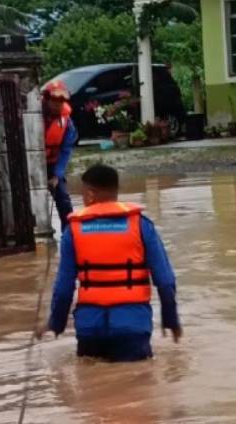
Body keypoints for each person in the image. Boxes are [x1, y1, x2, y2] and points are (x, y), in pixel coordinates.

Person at [40, 164, 181, 361]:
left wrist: (57, 324)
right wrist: (171, 320)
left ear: (90, 194)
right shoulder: (141, 225)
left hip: (90, 329)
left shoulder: (73, 231)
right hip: (132, 327)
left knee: (91, 384)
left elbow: (63, 288)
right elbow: (165, 281)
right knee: (136, 384)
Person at [42, 80, 79, 226]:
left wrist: (57, 175)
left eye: (62, 100)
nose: (58, 103)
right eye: (55, 99)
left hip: (53, 165)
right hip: (30, 165)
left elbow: (66, 151)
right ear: (46, 99)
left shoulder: (67, 123)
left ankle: (69, 233)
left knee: (63, 198)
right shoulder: (31, 116)